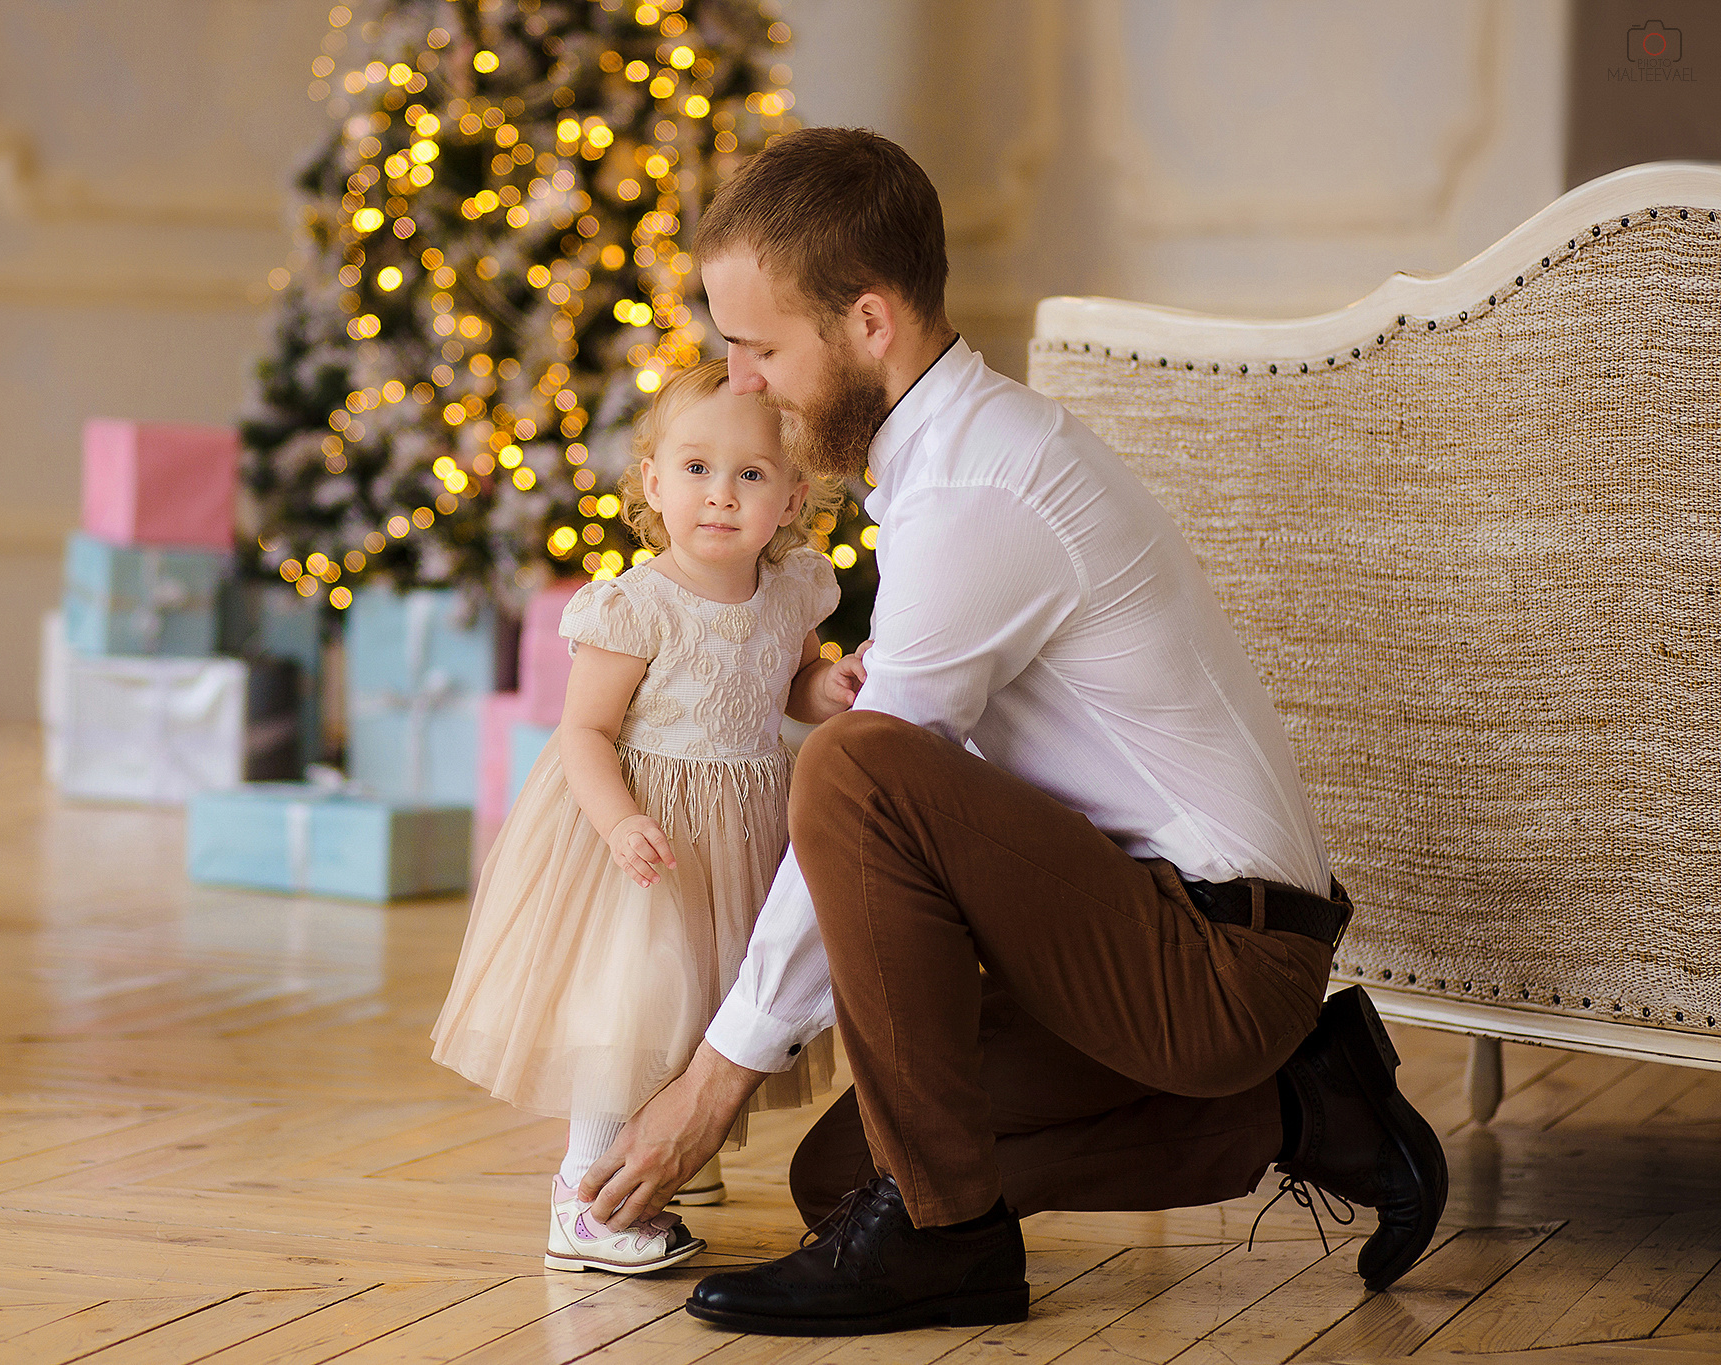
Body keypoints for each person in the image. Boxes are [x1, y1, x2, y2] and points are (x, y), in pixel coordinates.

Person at [574, 127, 1450, 1336]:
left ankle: (953, 1245)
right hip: (1140, 932)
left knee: (855, 769)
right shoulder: (943, 468)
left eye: (759, 347)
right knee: (843, 1183)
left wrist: (713, 1082)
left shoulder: (980, 489)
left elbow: (873, 787)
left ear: (868, 324)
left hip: (1217, 955)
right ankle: (1307, 1106)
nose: (738, 383)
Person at [430, 358, 859, 1274]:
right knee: (634, 1002)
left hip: (741, 826)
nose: (720, 494)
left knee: (703, 999)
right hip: (646, 835)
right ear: (654, 482)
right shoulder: (636, 606)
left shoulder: (792, 592)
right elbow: (584, 730)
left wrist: (833, 685)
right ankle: (585, 1195)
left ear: (791, 498)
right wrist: (620, 820)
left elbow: (791, 686)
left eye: (750, 474)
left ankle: (662, 1159)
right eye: (696, 469)